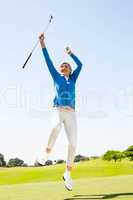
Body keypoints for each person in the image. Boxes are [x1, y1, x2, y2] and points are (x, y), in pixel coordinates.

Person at [39, 33, 82, 191]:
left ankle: (68, 173)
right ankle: (46, 153)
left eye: (66, 66)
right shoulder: (56, 76)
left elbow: (81, 65)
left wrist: (71, 54)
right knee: (55, 127)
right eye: (62, 66)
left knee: (73, 144)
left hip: (71, 113)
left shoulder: (74, 78)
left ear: (70, 70)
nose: (63, 67)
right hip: (58, 110)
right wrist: (43, 44)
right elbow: (48, 61)